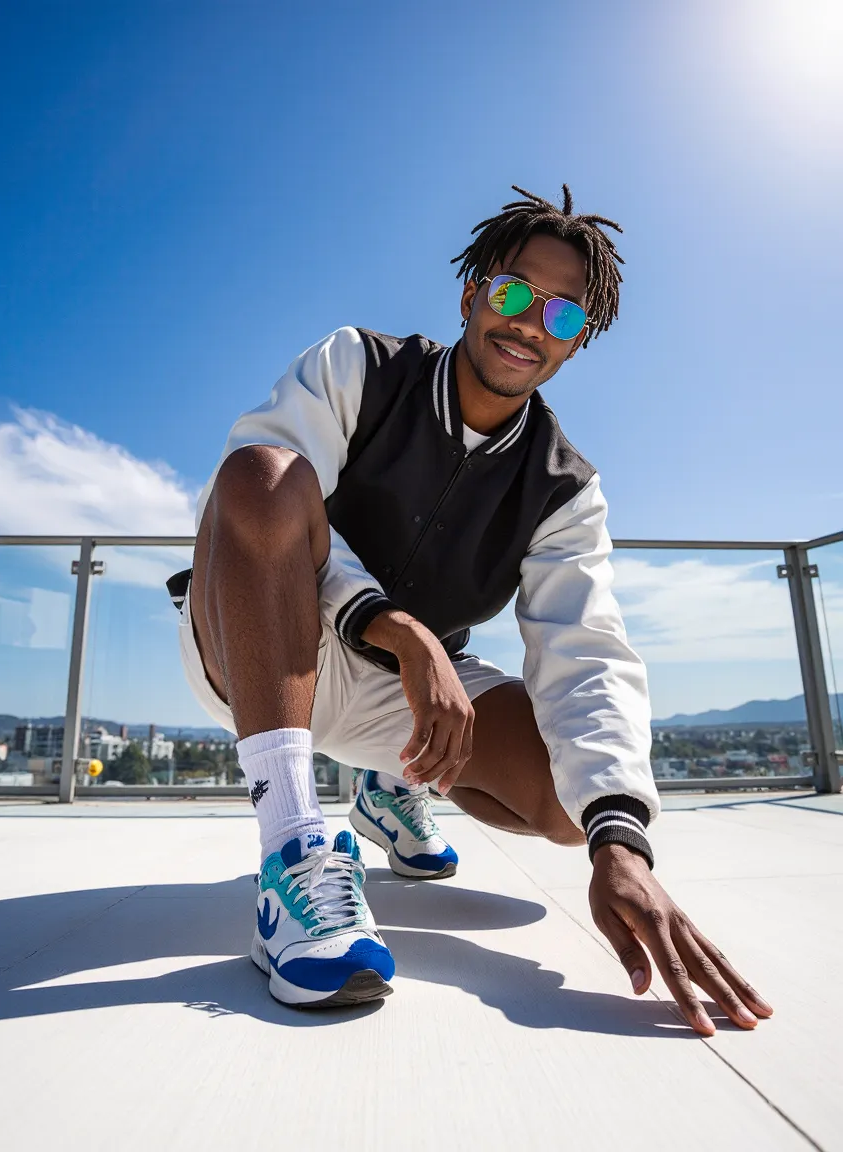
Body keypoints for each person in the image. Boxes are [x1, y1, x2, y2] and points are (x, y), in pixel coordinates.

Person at [169, 185, 773, 1029]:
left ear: (576, 345)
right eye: (516, 292)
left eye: (562, 317)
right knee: (264, 475)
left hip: (407, 693)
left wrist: (622, 844)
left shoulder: (565, 488)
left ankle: (390, 787)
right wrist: (387, 621)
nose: (531, 324)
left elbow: (587, 650)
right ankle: (292, 849)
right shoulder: (360, 366)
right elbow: (251, 492)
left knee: (572, 807)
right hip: (264, 649)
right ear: (472, 293)